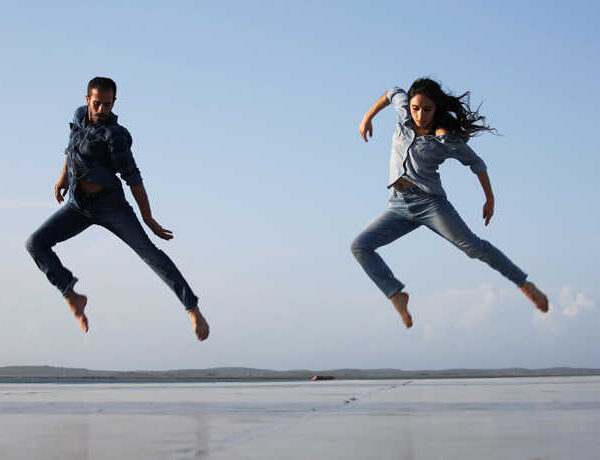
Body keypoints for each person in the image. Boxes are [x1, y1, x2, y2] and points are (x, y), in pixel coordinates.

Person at [351, 78, 548, 328]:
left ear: (436, 109)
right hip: (398, 205)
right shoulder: (404, 115)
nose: (420, 115)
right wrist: (367, 117)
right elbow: (392, 92)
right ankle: (396, 294)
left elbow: (477, 164)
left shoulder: (445, 139)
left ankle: (525, 284)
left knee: (473, 248)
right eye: (415, 108)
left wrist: (489, 198)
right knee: (360, 246)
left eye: (427, 110)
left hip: (430, 204)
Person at [25, 77, 209, 340]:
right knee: (35, 243)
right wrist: (63, 178)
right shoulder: (79, 116)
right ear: (87, 99)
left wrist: (148, 218)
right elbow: (71, 147)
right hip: (78, 205)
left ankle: (192, 308)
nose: (102, 110)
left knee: (150, 254)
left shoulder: (115, 136)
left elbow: (133, 178)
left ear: (114, 103)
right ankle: (72, 295)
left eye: (108, 105)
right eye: (97, 103)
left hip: (111, 206)